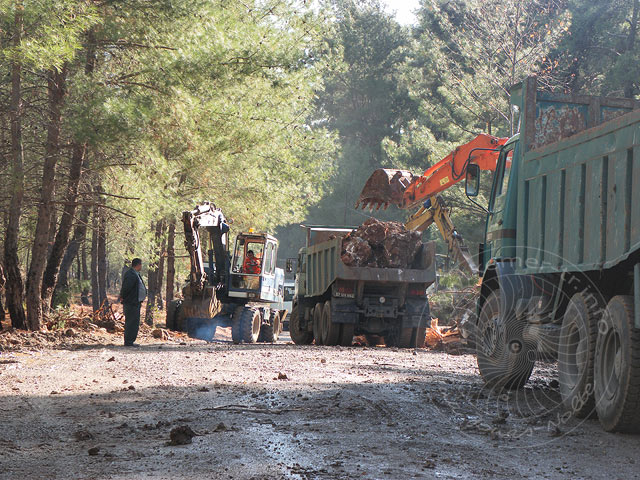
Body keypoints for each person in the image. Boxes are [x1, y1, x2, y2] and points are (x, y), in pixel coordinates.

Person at [118, 258, 147, 347]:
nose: (141, 266)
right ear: (138, 265)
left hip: (136, 302)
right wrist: (122, 296)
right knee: (131, 322)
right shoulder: (131, 274)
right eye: (141, 265)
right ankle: (128, 342)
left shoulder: (135, 274)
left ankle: (131, 340)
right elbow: (126, 287)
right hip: (131, 302)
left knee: (134, 322)